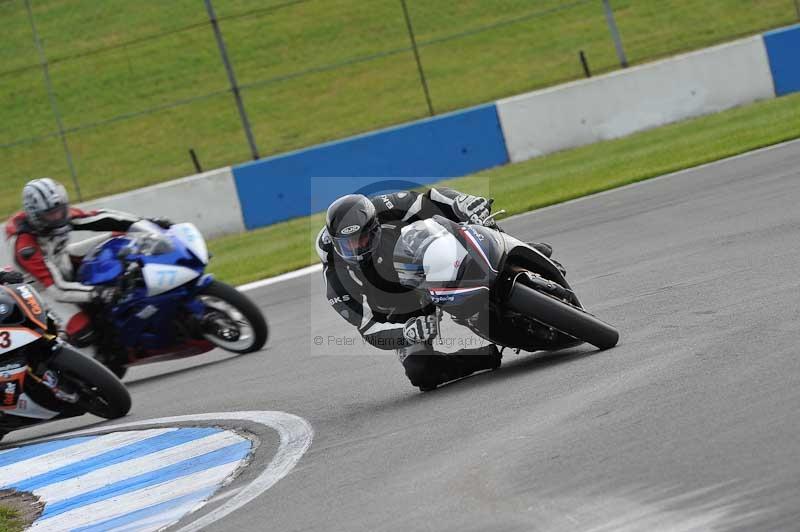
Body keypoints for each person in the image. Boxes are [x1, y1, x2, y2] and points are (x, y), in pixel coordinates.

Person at [316, 188, 557, 391]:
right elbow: (368, 328)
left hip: (425, 260)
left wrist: (461, 202)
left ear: (374, 226)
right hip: (402, 308)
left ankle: (516, 251)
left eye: (361, 239)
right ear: (334, 241)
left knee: (467, 222)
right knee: (420, 371)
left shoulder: (384, 207)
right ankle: (483, 357)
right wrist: (406, 333)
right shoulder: (336, 278)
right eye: (347, 244)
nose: (356, 249)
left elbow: (430, 199)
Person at [5, 177, 170, 345]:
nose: (58, 217)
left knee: (118, 239)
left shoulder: (59, 215)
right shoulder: (25, 247)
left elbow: (103, 218)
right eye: (51, 214)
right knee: (83, 330)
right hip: (40, 290)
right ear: (35, 215)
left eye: (60, 210)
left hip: (62, 260)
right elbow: (58, 289)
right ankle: (83, 359)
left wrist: (147, 223)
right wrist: (99, 292)